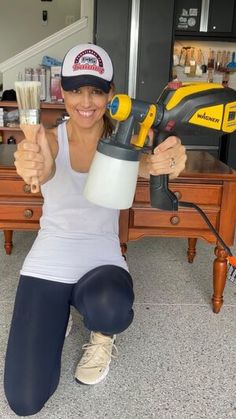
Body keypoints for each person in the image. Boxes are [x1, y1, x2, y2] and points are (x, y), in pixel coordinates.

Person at [4, 43, 187, 416]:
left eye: (96, 90)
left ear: (110, 93)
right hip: (48, 262)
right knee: (24, 401)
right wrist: (30, 165)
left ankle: (101, 335)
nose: (85, 101)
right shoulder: (49, 140)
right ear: (63, 92)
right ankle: (59, 316)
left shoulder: (127, 139)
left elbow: (150, 164)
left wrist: (170, 160)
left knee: (112, 307)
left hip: (101, 262)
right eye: (75, 89)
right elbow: (42, 166)